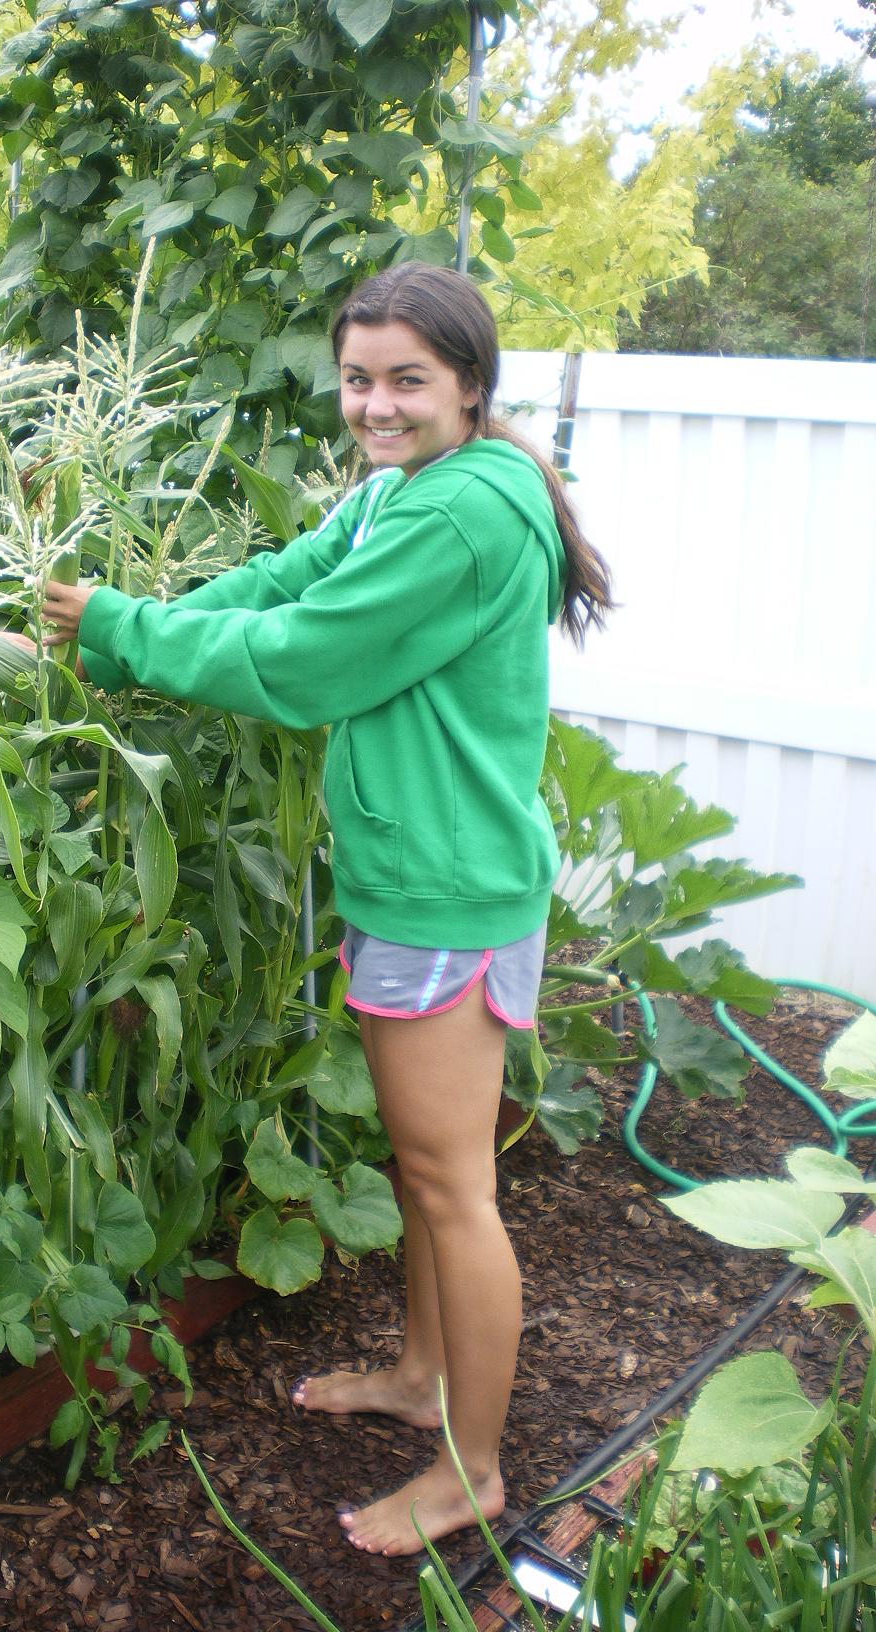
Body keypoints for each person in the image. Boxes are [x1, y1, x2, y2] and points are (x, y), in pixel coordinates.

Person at [34, 262, 612, 1557]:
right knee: (427, 1168)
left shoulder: (459, 515)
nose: (376, 405)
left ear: (469, 383)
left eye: (408, 379)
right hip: (437, 868)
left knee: (453, 1186)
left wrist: (122, 624)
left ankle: (472, 1470)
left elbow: (307, 658)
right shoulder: (410, 492)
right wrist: (114, 637)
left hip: (446, 890)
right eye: (358, 379)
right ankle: (421, 1375)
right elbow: (282, 582)